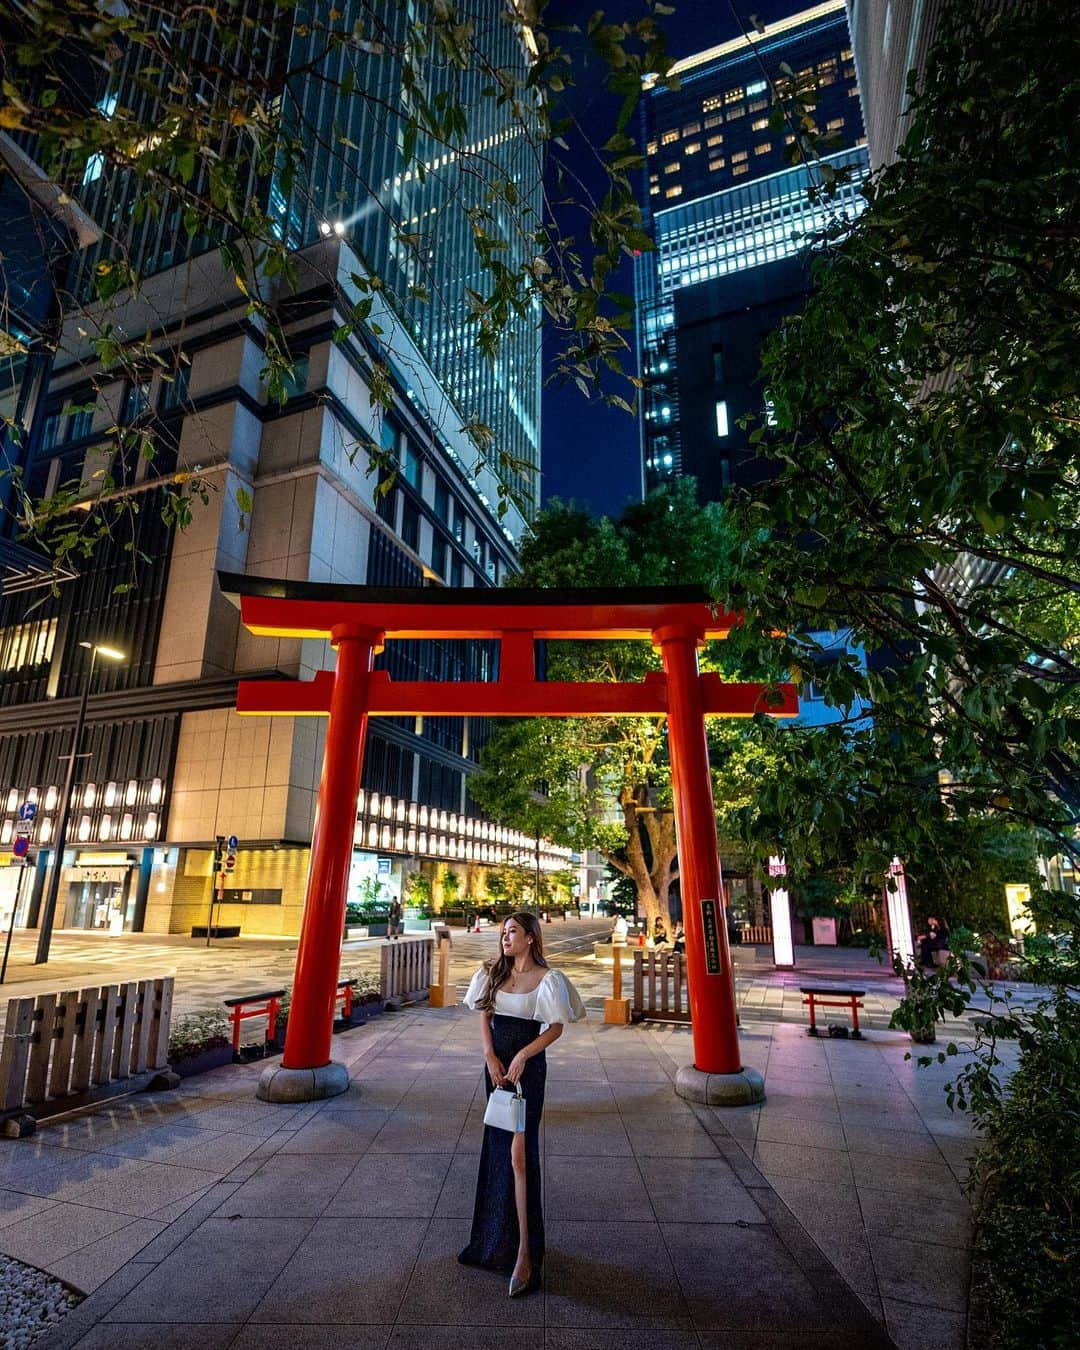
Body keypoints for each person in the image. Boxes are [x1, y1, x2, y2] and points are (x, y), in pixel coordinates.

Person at [459, 911, 586, 1297]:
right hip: (496, 1070)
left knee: (519, 1156)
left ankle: (526, 1254)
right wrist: (488, 1055)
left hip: (525, 1072)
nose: (505, 937)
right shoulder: (492, 974)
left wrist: (523, 1056)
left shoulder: (548, 979)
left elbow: (556, 1028)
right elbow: (485, 1015)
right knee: (499, 1152)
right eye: (503, 932)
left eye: (512, 931)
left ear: (531, 937)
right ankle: (495, 1240)